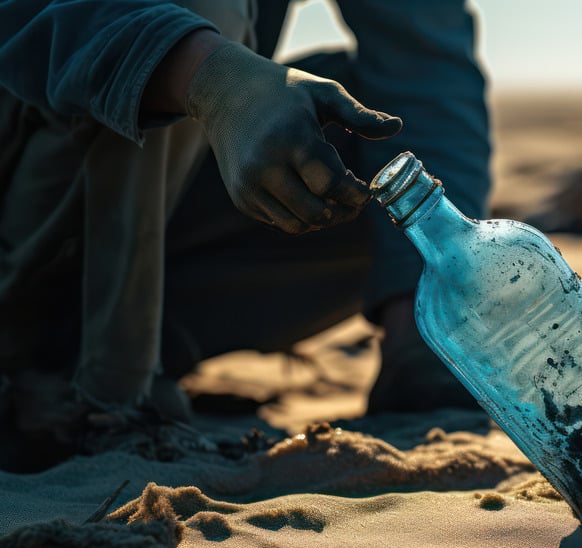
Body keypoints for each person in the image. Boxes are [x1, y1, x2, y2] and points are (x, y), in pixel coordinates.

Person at [0, 0, 492, 471]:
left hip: (153, 217)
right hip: (26, 178)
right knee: (204, 8)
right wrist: (210, 77)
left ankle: (76, 352)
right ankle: (105, 391)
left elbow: (425, 59)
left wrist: (426, 318)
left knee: (373, 129)